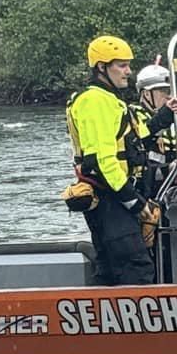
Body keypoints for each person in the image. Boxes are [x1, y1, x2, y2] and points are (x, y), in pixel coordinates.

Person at [65, 35, 158, 287]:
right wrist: (134, 203)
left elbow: (139, 137)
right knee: (135, 266)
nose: (128, 71)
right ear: (101, 67)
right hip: (109, 198)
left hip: (117, 197)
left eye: (128, 64)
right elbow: (102, 161)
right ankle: (138, 324)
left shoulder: (112, 100)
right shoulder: (94, 101)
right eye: (121, 65)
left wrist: (167, 115)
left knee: (109, 268)